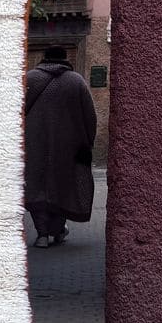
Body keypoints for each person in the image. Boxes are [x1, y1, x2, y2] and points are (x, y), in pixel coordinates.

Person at [24, 46, 96, 248]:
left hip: (33, 144)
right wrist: (88, 142)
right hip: (67, 146)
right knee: (61, 187)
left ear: (44, 57)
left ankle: (42, 234)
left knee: (36, 188)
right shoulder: (76, 81)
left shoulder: (29, 79)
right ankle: (57, 230)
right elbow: (89, 115)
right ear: (65, 58)